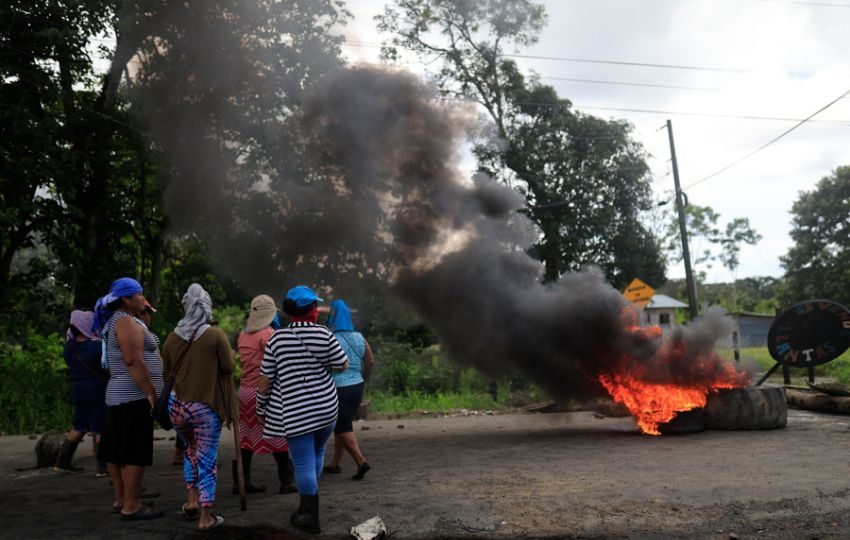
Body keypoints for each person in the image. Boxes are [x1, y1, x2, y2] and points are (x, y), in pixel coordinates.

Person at [257, 285, 348, 534]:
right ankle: (307, 505)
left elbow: (265, 379)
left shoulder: (277, 338)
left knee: (304, 462)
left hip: (296, 412)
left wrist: (260, 407)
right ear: (313, 312)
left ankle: (310, 517)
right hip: (326, 409)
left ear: (290, 313)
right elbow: (342, 364)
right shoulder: (325, 334)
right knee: (316, 454)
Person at [162, 283, 235, 532]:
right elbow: (229, 368)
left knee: (190, 452)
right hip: (205, 408)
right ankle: (206, 517)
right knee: (206, 460)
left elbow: (166, 374)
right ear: (206, 306)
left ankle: (191, 502)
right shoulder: (216, 335)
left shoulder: (172, 337)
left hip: (177, 408)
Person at [94, 277, 164, 520]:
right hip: (132, 396)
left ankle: (124, 499)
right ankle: (131, 505)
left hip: (121, 395)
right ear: (125, 298)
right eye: (139, 295)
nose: (143, 299)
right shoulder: (125, 322)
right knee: (134, 451)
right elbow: (133, 360)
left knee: (120, 449)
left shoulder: (122, 321)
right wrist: (151, 392)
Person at [235, 295, 296, 495]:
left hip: (244, 392)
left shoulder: (242, 335)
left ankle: (241, 482)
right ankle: (287, 482)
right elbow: (278, 366)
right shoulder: (269, 335)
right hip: (263, 392)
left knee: (246, 437)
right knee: (279, 435)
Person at [53, 310, 108, 477]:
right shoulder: (97, 347)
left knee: (79, 425)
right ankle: (102, 467)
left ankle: (62, 462)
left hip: (78, 388)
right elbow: (107, 367)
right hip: (97, 389)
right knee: (100, 428)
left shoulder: (69, 347)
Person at [323, 299, 374, 480]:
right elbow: (370, 361)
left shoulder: (330, 338)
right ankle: (335, 463)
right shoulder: (360, 337)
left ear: (333, 316)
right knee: (344, 424)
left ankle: (361, 462)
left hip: (338, 388)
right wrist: (363, 378)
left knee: (341, 426)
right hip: (357, 386)